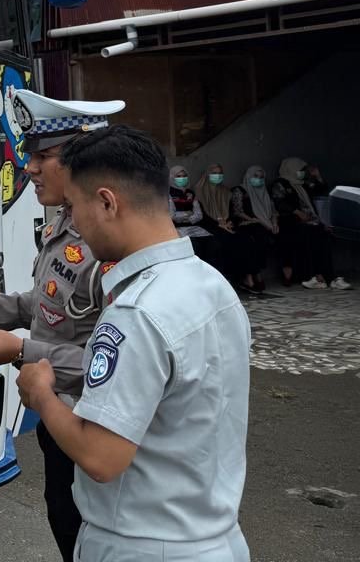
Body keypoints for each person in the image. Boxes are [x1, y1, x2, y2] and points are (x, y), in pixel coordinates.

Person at [16, 125, 251, 562]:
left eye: (76, 207)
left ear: (107, 202)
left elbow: (100, 457)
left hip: (142, 544)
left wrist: (41, 393)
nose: (75, 224)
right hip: (214, 536)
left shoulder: (136, 312)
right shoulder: (212, 285)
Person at [0, 88, 124, 562]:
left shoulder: (110, 245)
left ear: (84, 161)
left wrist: (19, 352)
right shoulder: (65, 223)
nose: (29, 168)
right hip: (58, 420)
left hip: (94, 432)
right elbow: (49, 304)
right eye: (29, 155)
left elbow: (116, 365)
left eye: (43, 156)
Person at [272, 158, 348, 290]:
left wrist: (317, 176)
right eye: (300, 170)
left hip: (311, 221)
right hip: (291, 222)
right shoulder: (280, 184)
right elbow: (280, 203)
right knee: (311, 237)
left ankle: (330, 277)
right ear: (292, 169)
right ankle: (316, 276)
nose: (302, 172)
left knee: (324, 236)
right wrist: (298, 213)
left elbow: (321, 189)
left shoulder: (303, 184)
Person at [197, 163, 265, 293]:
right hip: (209, 226)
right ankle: (240, 279)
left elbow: (232, 212)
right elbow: (202, 216)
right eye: (214, 173)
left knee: (245, 239)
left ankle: (248, 278)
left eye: (220, 173)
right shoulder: (199, 191)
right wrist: (219, 223)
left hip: (227, 225)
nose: (218, 176)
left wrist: (229, 222)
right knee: (224, 241)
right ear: (207, 175)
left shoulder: (225, 192)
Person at [167, 165, 219, 272]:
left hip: (194, 227)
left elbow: (199, 214)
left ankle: (211, 274)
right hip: (178, 229)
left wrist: (188, 218)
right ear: (172, 177)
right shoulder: (168, 194)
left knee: (212, 243)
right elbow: (172, 216)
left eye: (184, 176)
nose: (182, 178)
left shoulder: (190, 193)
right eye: (178, 176)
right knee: (194, 247)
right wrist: (188, 213)